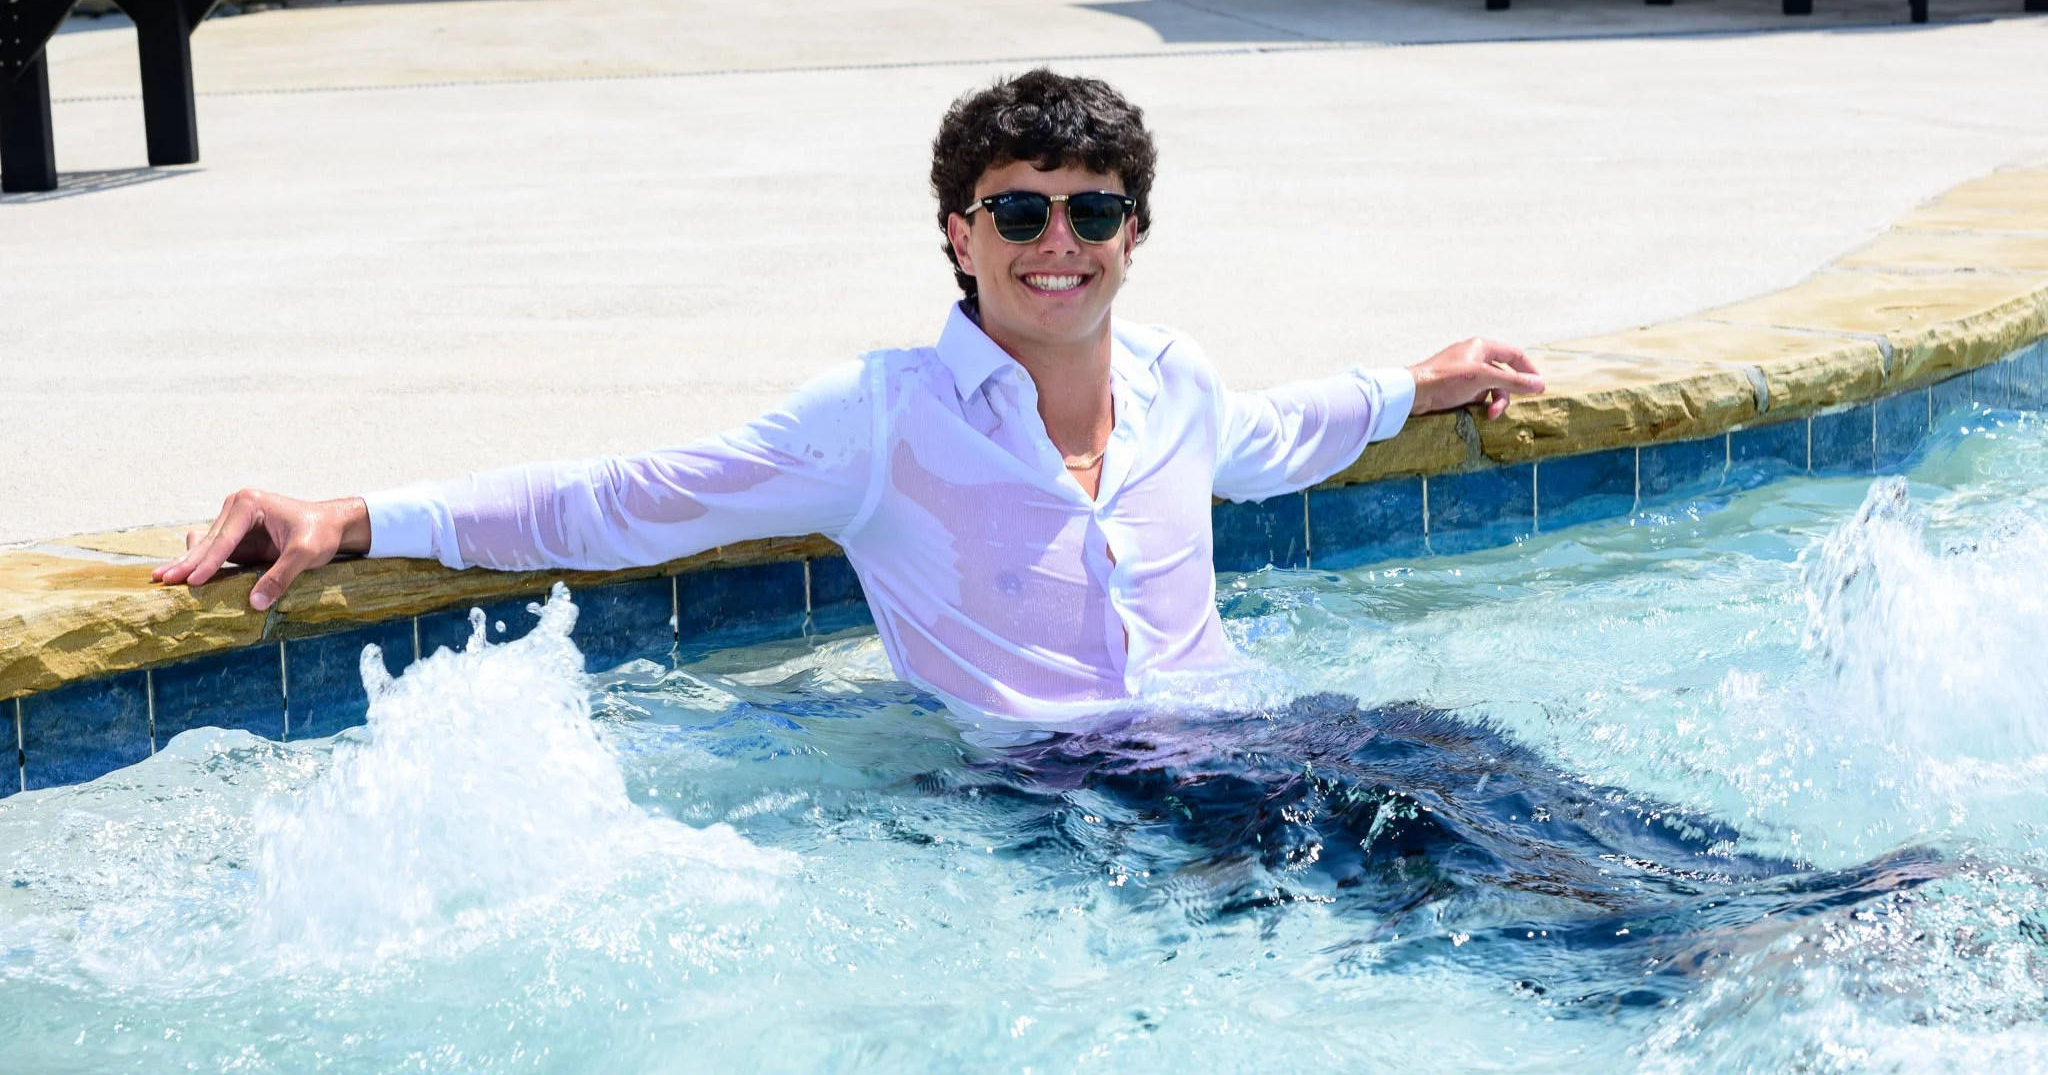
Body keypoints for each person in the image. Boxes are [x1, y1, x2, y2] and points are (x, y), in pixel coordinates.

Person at [154, 69, 1544, 725]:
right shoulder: (878, 422)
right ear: (958, 234)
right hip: (1077, 801)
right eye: (1017, 212)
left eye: (1091, 210)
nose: (1056, 242)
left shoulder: (1180, 381)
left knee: (1504, 792)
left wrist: (1418, 383)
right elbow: (623, 500)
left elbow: (1283, 434)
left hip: (1247, 731)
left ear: (1135, 231)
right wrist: (355, 516)